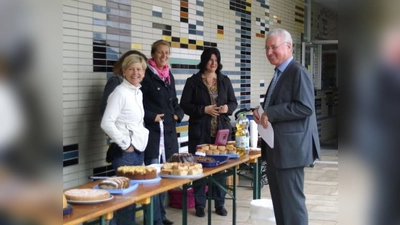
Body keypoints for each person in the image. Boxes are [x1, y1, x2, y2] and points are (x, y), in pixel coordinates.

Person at [252, 28, 320, 225]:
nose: (269, 52)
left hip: (290, 151)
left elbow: (305, 107)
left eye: (273, 47)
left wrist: (271, 113)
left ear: (288, 46)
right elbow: (279, 106)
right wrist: (262, 113)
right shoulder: (279, 73)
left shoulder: (297, 72)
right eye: (266, 48)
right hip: (276, 148)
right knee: (280, 205)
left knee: (292, 206)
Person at [180, 47, 238, 217]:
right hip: (200, 131)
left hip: (220, 131)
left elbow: (234, 103)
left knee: (221, 167)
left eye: (216, 60)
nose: (213, 63)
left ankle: (219, 203)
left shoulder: (224, 80)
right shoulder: (193, 81)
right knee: (199, 167)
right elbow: (185, 105)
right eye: (210, 59)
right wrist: (204, 109)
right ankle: (199, 204)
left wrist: (227, 108)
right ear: (204, 61)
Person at [101, 54, 149, 225]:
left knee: (131, 197)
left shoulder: (138, 92)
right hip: (124, 153)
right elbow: (106, 122)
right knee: (124, 199)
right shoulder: (119, 92)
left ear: (143, 72)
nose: (135, 73)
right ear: (124, 71)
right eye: (131, 69)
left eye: (139, 69)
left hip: (138, 151)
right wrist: (125, 143)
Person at [140, 40, 184, 225]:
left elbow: (174, 101)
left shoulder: (169, 75)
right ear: (153, 54)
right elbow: (138, 104)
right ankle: (154, 218)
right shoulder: (146, 75)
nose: (164, 56)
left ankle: (161, 215)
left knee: (165, 176)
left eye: (167, 52)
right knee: (153, 178)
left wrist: (178, 114)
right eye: (160, 52)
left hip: (169, 134)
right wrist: (151, 116)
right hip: (153, 135)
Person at [100, 50, 148, 116]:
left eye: (139, 69)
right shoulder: (116, 81)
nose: (136, 72)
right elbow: (105, 108)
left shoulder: (135, 87)